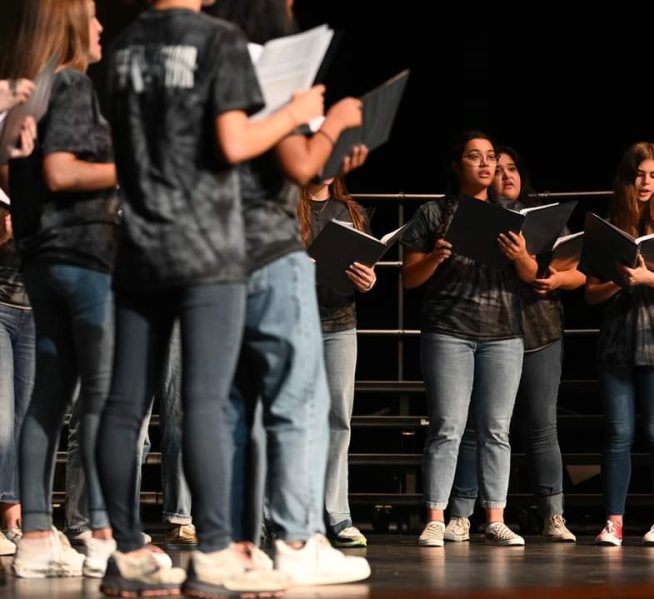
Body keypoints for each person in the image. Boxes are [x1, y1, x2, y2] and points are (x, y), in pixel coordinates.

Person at [95, 0, 324, 594]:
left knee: (124, 405)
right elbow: (232, 141)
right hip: (206, 249)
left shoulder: (121, 48)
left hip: (139, 245)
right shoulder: (217, 38)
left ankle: (123, 549)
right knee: (204, 403)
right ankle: (217, 551)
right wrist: (297, 111)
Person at [208, 0, 371, 585]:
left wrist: (332, 150)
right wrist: (331, 121)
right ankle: (299, 539)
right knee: (297, 400)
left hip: (221, 250)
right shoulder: (266, 68)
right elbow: (299, 158)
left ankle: (237, 542)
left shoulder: (214, 65)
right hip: (270, 246)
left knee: (236, 406)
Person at [5, 0, 119, 578]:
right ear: (74, 25)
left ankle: (37, 538)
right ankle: (102, 532)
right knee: (104, 393)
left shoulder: (32, 92)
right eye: (95, 17)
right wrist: (137, 167)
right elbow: (61, 171)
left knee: (48, 398)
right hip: (81, 255)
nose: (102, 27)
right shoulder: (71, 84)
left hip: (41, 261)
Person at [402, 131, 536, 547]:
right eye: (474, 157)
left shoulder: (513, 214)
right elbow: (409, 278)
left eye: (491, 157)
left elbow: (533, 276)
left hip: (503, 333)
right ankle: (436, 517)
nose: (485, 163)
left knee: (497, 428)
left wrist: (521, 257)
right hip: (449, 330)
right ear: (458, 164)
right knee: (448, 426)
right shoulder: (432, 213)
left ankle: (495, 516)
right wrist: (435, 257)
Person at [445, 146, 584, 543]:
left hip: (540, 332)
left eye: (511, 168)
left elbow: (580, 273)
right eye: (497, 168)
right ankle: (461, 513)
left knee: (541, 427)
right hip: (490, 329)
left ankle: (553, 515)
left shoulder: (542, 216)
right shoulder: (484, 215)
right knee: (477, 426)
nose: (504, 175)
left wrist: (554, 279)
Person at [585, 141, 654, 547]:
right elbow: (591, 293)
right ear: (627, 178)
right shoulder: (609, 224)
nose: (646, 182)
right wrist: (617, 281)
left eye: (653, 176)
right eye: (639, 174)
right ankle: (614, 521)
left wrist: (645, 279)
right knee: (618, 433)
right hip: (616, 344)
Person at [298, 177, 375, 548]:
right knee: (291, 418)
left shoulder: (350, 211)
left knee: (338, 419)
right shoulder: (284, 205)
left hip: (339, 324)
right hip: (294, 323)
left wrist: (368, 279)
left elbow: (365, 266)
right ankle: (283, 512)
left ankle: (337, 512)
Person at [0, 192, 34, 557]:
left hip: (37, 311)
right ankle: (7, 517)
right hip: (1, 307)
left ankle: (16, 521)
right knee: (2, 418)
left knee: (28, 417)